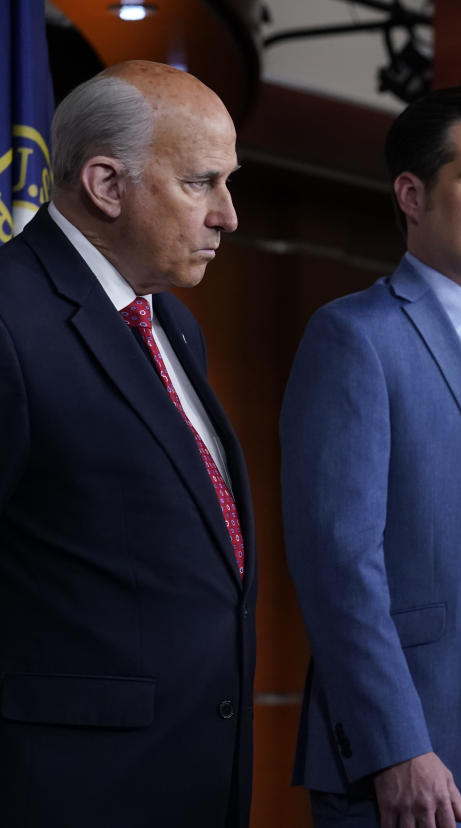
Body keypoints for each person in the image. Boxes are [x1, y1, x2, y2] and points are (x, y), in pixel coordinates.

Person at [0, 61, 254, 826]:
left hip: (195, 776)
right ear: (107, 185)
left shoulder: (173, 324)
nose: (228, 216)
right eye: (201, 183)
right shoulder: (8, 316)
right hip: (65, 791)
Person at [281, 79, 461, 827]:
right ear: (413, 195)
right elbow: (338, 564)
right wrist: (397, 746)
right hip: (414, 758)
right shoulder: (354, 337)